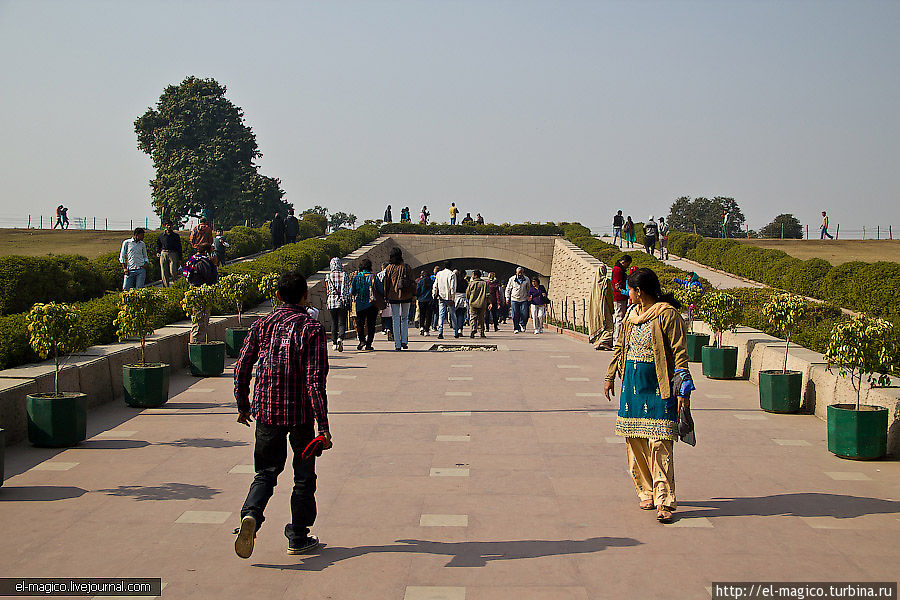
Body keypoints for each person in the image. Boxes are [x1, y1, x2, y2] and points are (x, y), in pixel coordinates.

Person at [233, 269, 332, 559]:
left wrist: (243, 404)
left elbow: (242, 367)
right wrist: (323, 427)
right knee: (303, 476)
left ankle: (251, 514)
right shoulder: (312, 330)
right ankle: (298, 537)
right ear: (305, 296)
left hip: (266, 410)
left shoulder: (261, 325)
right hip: (301, 415)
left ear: (277, 295)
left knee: (265, 472)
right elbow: (315, 381)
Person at [603, 267, 694, 524]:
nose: (627, 294)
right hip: (632, 385)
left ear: (639, 291)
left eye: (629, 290)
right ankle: (646, 490)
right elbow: (620, 346)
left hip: (658, 385)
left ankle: (664, 498)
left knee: (660, 442)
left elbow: (679, 352)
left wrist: (683, 387)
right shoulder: (631, 315)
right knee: (634, 441)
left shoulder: (667, 314)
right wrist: (610, 376)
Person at [183, 243, 218, 343]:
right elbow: (212, 279)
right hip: (200, 296)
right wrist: (214, 265)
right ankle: (197, 345)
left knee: (198, 321)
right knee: (200, 322)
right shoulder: (203, 263)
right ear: (207, 252)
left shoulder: (193, 260)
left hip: (194, 293)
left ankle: (198, 343)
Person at [383, 247, 415, 350]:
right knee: (404, 318)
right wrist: (414, 295)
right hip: (406, 295)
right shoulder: (406, 267)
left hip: (393, 296)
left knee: (395, 318)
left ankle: (397, 344)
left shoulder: (389, 268)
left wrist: (385, 295)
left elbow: (386, 283)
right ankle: (404, 341)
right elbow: (413, 282)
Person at [350, 259, 379, 351]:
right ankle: (369, 344)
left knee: (360, 323)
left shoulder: (357, 277)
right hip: (372, 304)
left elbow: (352, 292)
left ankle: (362, 340)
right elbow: (380, 289)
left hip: (360, 304)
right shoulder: (374, 277)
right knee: (371, 325)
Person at [325, 257, 351, 352]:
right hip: (342, 301)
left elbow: (327, 290)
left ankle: (334, 343)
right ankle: (340, 338)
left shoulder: (328, 276)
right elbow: (346, 289)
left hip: (332, 301)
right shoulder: (344, 275)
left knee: (334, 322)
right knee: (342, 322)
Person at [588, 264, 614, 350]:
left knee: (599, 323)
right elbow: (609, 296)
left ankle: (599, 341)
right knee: (609, 325)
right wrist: (611, 308)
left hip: (595, 307)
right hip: (604, 306)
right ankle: (604, 341)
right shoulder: (606, 281)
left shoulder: (595, 284)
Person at [432, 261, 457, 340]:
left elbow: (435, 285)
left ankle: (440, 332)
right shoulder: (452, 274)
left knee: (441, 315)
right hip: (449, 297)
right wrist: (453, 298)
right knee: (453, 315)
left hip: (441, 297)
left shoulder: (439, 274)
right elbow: (452, 287)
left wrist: (434, 294)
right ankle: (455, 332)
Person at [611, 255, 632, 343]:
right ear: (624, 262)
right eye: (627, 264)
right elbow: (618, 284)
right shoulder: (618, 270)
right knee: (619, 317)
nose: (627, 266)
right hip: (619, 297)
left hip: (621, 297)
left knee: (620, 317)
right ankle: (617, 340)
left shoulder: (619, 269)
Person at [155, 220, 183, 287]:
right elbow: (158, 245)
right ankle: (166, 287)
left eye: (170, 225)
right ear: (165, 226)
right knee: (164, 272)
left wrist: (180, 259)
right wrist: (157, 252)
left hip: (173, 253)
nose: (169, 226)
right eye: (167, 225)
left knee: (173, 271)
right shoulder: (161, 236)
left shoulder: (175, 236)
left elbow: (179, 247)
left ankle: (176, 286)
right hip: (164, 253)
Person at [505, 267, 531, 334]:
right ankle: (516, 327)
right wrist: (507, 298)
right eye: (519, 272)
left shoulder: (526, 279)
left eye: (521, 272)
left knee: (524, 314)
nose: (520, 274)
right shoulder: (512, 279)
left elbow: (528, 289)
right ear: (516, 272)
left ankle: (522, 324)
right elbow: (508, 289)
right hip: (514, 299)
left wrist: (529, 296)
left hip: (523, 299)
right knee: (515, 314)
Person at [466, 270, 489, 338]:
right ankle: (481, 332)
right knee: (481, 318)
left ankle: (473, 329)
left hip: (473, 303)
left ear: (475, 276)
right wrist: (488, 302)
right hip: (482, 303)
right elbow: (488, 294)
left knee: (473, 317)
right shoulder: (485, 283)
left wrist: (469, 300)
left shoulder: (471, 283)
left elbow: (468, 293)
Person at [416, 270, 433, 336]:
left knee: (422, 314)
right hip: (429, 300)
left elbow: (418, 290)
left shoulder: (420, 282)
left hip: (421, 300)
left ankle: (421, 327)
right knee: (428, 315)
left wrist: (417, 297)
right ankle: (427, 330)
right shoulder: (431, 282)